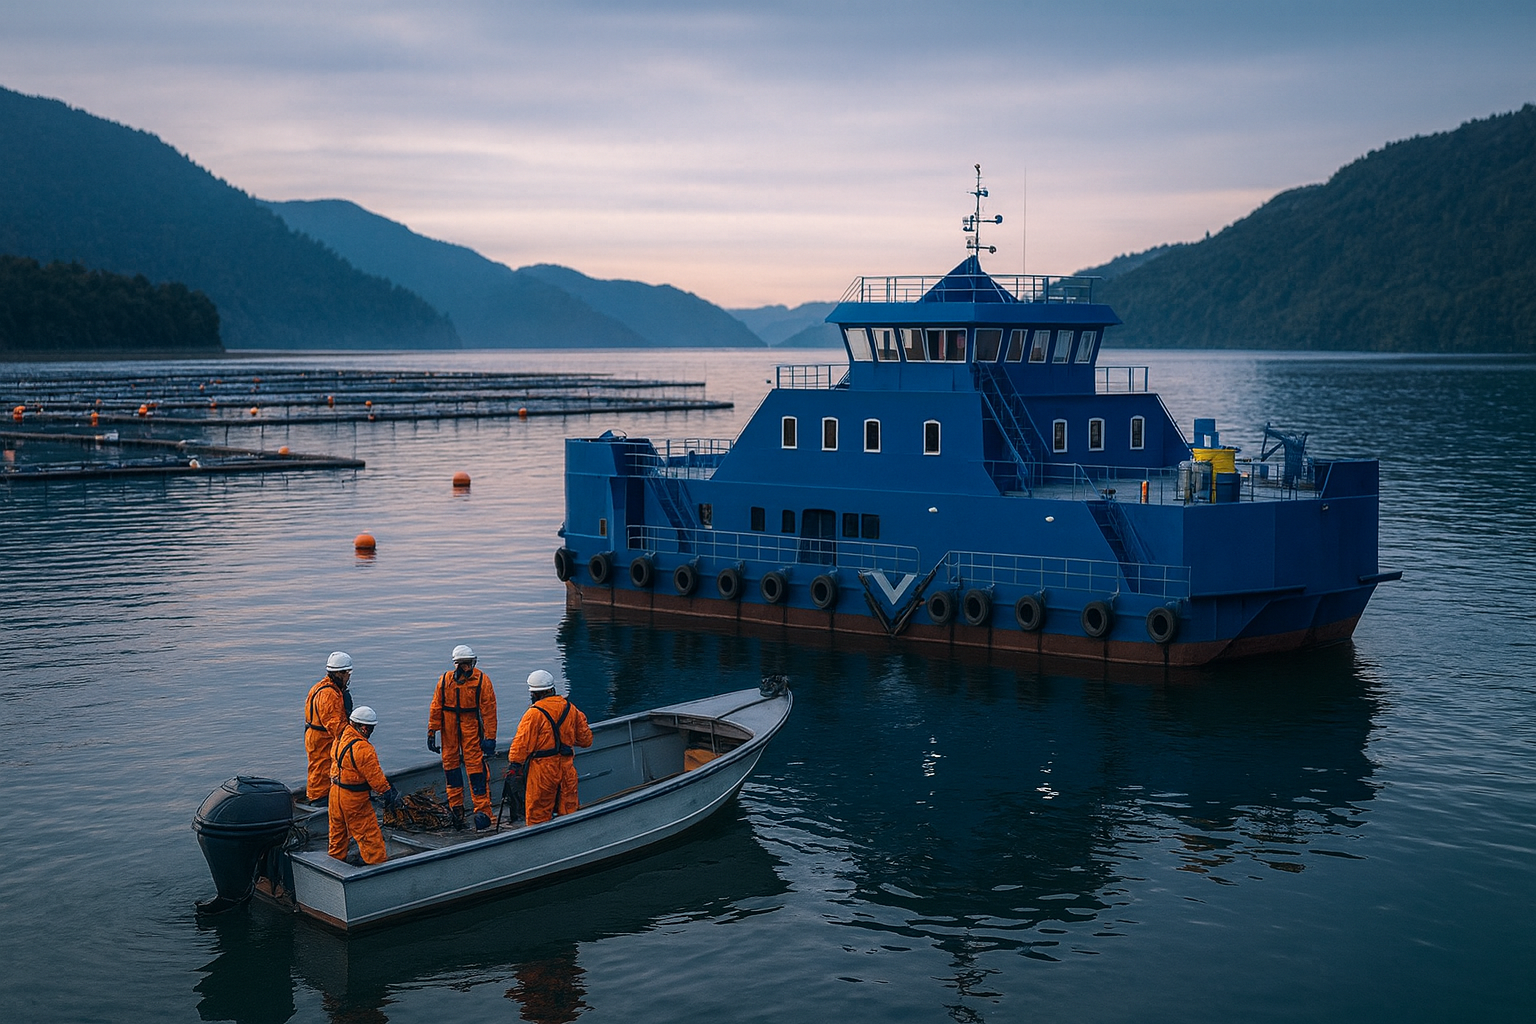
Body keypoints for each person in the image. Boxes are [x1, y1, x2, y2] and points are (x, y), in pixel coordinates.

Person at [507, 670, 593, 825]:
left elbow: (521, 744)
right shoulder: (570, 709)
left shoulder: (534, 714)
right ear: (552, 690)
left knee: (538, 814)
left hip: (543, 771)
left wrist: (515, 765)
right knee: (568, 809)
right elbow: (586, 740)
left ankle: (540, 844)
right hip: (566, 768)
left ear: (534, 693)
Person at [427, 644, 498, 830]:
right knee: (451, 770)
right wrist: (432, 732)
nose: (469, 667)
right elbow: (436, 707)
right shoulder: (444, 681)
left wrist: (490, 738)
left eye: (470, 664)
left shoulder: (482, 681)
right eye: (466, 664)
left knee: (476, 772)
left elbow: (489, 711)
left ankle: (482, 812)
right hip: (449, 730)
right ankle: (456, 810)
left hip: (471, 729)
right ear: (459, 664)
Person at [328, 705, 400, 865]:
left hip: (335, 794)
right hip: (354, 800)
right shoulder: (363, 749)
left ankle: (334, 865)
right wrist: (387, 792)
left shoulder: (340, 738)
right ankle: (375, 868)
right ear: (364, 728)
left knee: (337, 835)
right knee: (369, 835)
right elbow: (375, 778)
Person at [303, 651, 354, 804]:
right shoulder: (329, 695)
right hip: (323, 737)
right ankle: (318, 799)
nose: (349, 677)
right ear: (340, 673)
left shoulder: (320, 687)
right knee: (322, 766)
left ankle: (319, 795)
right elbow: (336, 727)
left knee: (319, 766)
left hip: (315, 733)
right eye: (347, 673)